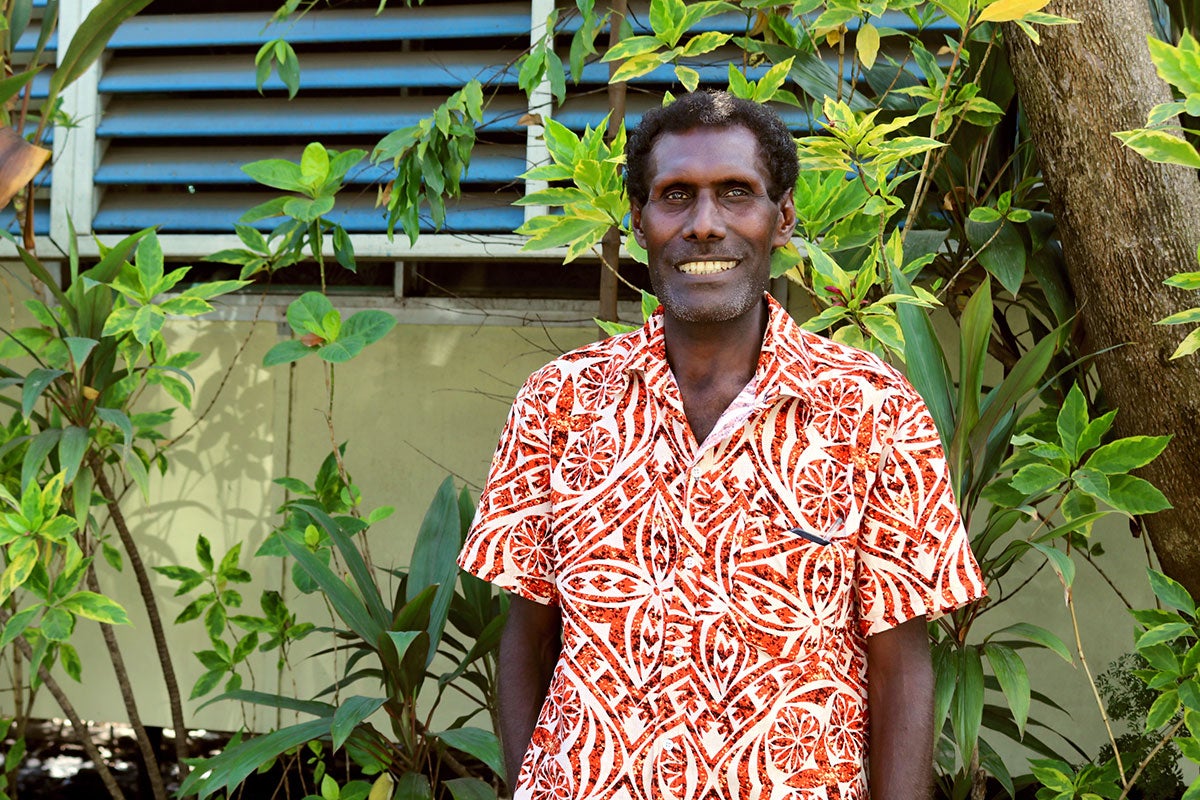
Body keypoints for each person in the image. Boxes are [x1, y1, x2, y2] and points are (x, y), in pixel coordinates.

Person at [458, 90, 986, 800]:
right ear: (639, 221)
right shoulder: (559, 403)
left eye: (736, 194)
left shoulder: (874, 410)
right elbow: (526, 638)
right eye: (676, 196)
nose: (704, 226)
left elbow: (903, 668)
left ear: (783, 217)